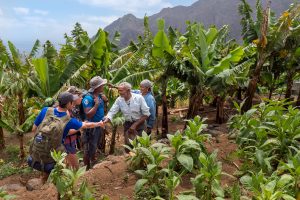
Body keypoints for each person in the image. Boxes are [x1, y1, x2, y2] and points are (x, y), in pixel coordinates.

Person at [28, 91, 104, 181]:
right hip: (52, 160)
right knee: (71, 172)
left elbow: (34, 129)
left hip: (34, 156)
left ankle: (45, 184)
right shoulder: (69, 121)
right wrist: (99, 123)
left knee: (48, 175)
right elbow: (86, 125)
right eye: (72, 102)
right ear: (68, 104)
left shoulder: (45, 110)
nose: (73, 104)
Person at [103, 82, 150, 150]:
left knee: (141, 146)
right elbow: (112, 111)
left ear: (128, 90)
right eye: (118, 90)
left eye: (121, 90)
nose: (119, 92)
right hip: (128, 124)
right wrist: (107, 118)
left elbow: (146, 114)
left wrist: (135, 125)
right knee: (129, 147)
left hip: (140, 124)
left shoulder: (139, 98)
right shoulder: (119, 100)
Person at [82, 76, 108, 169]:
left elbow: (101, 108)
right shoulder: (88, 98)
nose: (103, 86)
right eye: (102, 85)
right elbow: (88, 114)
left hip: (98, 125)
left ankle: (93, 163)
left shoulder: (99, 95)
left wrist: (105, 101)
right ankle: (86, 168)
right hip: (91, 127)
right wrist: (96, 104)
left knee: (94, 146)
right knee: (88, 148)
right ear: (97, 87)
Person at [64, 86, 83, 169]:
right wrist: (80, 127)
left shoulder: (72, 108)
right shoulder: (66, 111)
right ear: (74, 98)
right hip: (66, 142)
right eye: (80, 96)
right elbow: (66, 131)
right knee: (75, 168)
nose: (81, 98)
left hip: (70, 141)